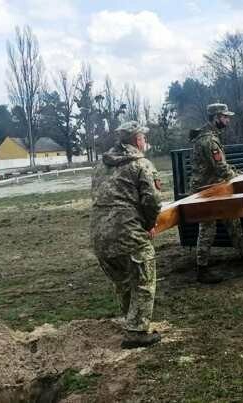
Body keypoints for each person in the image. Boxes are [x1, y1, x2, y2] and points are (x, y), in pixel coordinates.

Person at [90, 120, 163, 349]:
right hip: (128, 232)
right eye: (143, 137)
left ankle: (131, 322)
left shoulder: (101, 165)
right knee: (143, 281)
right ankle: (137, 332)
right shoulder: (141, 164)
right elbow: (152, 200)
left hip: (99, 235)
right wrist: (150, 224)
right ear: (136, 140)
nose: (145, 141)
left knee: (122, 282)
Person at [189, 103, 243, 284]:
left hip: (217, 186)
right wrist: (240, 179)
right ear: (216, 118)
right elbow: (221, 167)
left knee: (233, 220)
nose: (228, 120)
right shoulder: (209, 141)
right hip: (206, 190)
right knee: (207, 228)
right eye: (225, 117)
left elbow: (222, 168)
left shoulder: (212, 137)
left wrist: (239, 174)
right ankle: (202, 269)